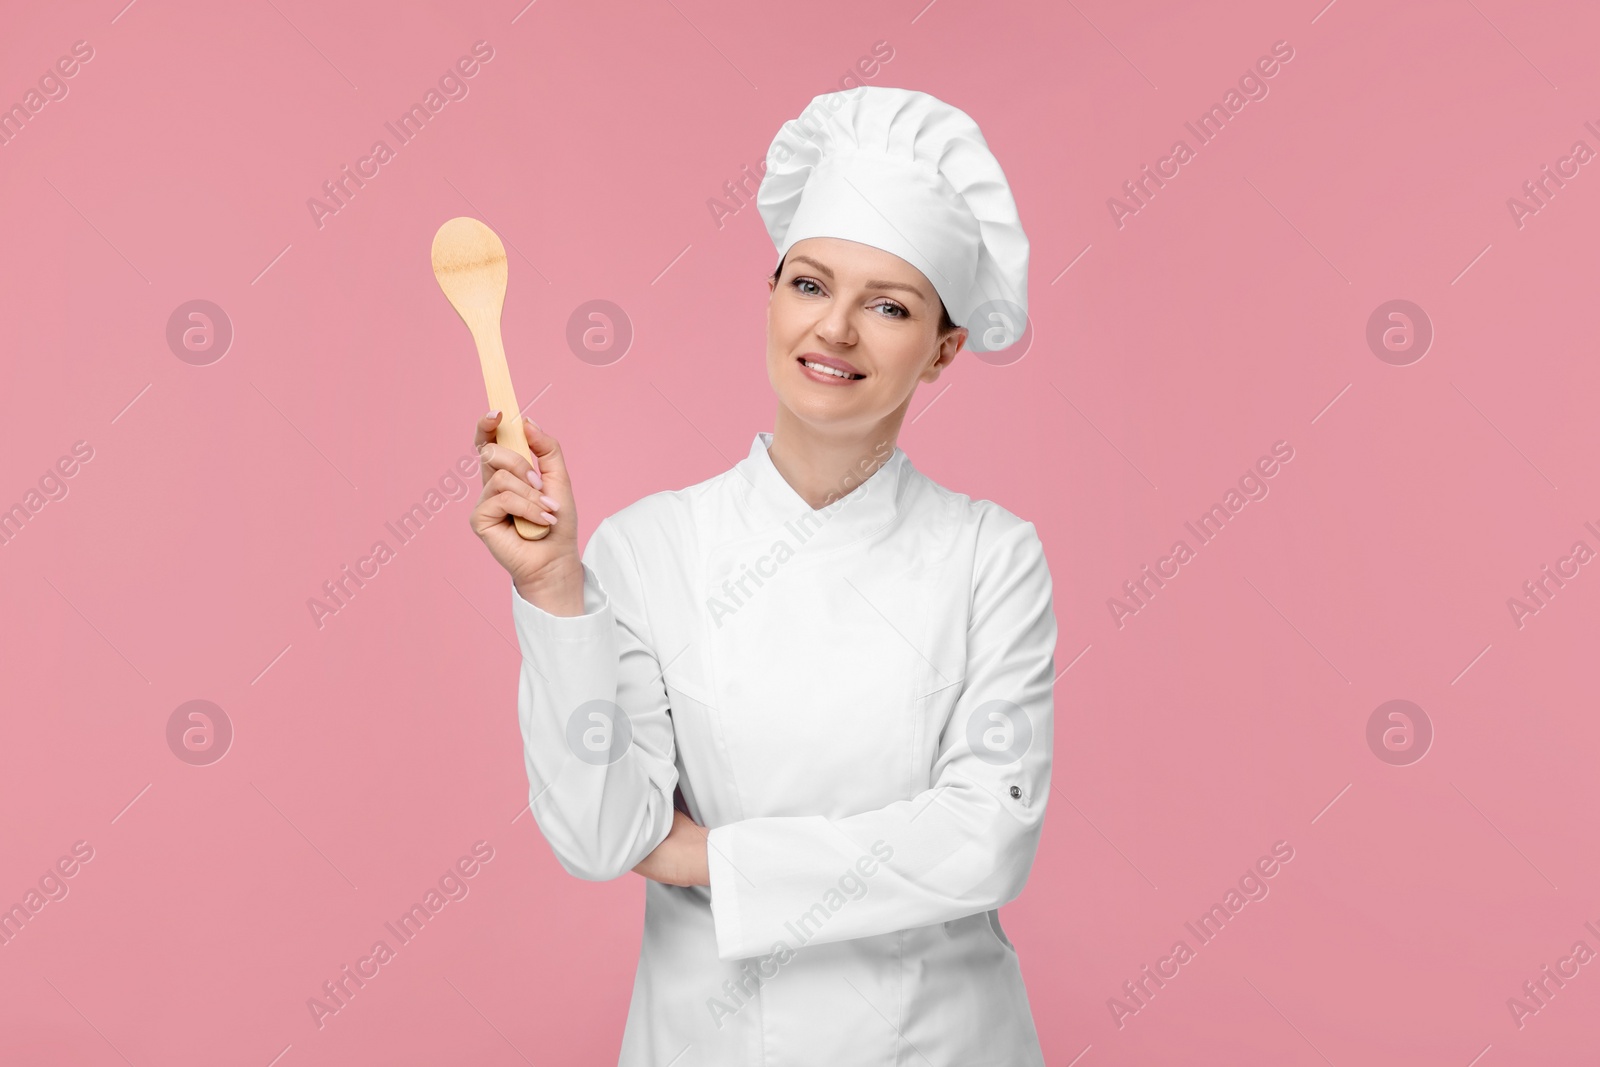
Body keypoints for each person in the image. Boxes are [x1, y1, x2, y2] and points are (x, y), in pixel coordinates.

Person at [471, 85, 1056, 1066]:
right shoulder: (649, 546)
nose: (834, 330)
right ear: (771, 292)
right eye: (809, 284)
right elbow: (599, 833)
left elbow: (986, 834)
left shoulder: (991, 556)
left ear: (944, 348)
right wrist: (552, 589)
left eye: (889, 305)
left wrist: (710, 854)